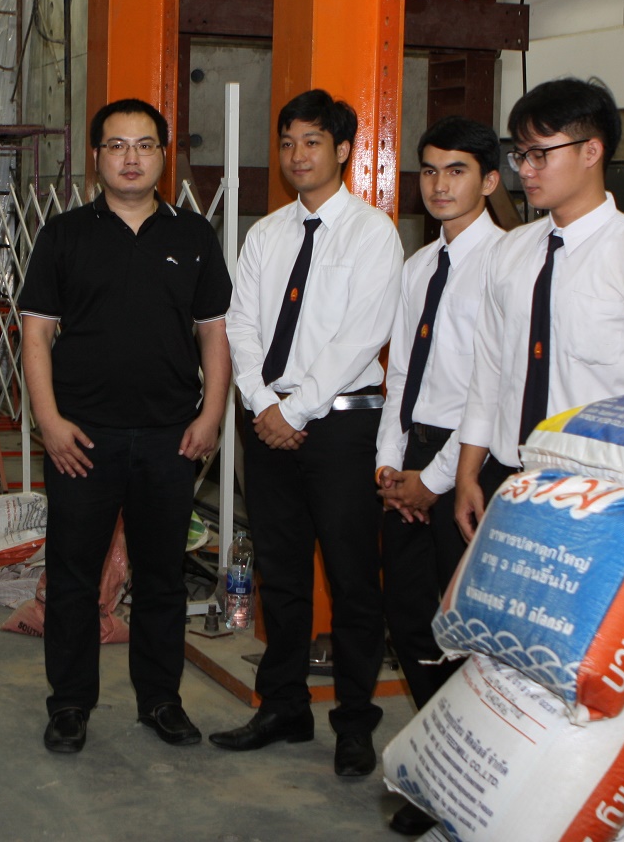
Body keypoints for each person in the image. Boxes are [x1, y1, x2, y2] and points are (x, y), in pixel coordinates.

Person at [18, 97, 232, 754]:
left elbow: (214, 334)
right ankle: (69, 703)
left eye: (144, 145)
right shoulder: (64, 235)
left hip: (170, 438)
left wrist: (212, 415)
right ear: (96, 157)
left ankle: (161, 700)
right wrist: (49, 422)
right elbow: (35, 335)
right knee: (73, 576)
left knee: (162, 576)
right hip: (81, 440)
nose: (130, 158)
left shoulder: (194, 237)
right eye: (116, 145)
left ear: (164, 156)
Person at [213, 89, 404, 779]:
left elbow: (363, 335)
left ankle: (354, 722)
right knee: (282, 573)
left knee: (352, 579)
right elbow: (240, 323)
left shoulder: (373, 233)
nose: (297, 155)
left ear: (344, 150)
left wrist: (295, 411)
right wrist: (265, 403)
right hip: (267, 423)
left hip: (342, 428)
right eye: (288, 142)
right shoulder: (266, 234)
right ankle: (284, 706)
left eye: (313, 141)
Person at [454, 77, 624, 543]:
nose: (526, 171)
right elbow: (488, 373)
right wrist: (468, 475)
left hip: (600, 492)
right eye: (520, 156)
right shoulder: (509, 253)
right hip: (506, 478)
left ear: (591, 152)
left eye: (540, 155)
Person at [375, 116, 505, 836]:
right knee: (408, 619)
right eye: (429, 170)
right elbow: (400, 374)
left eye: (457, 170)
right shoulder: (419, 265)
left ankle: (470, 787)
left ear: (489, 181)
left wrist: (436, 478)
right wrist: (390, 464)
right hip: (413, 456)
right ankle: (437, 770)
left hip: (473, 462)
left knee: (464, 631)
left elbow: (494, 385)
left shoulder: (506, 263)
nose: (439, 184)